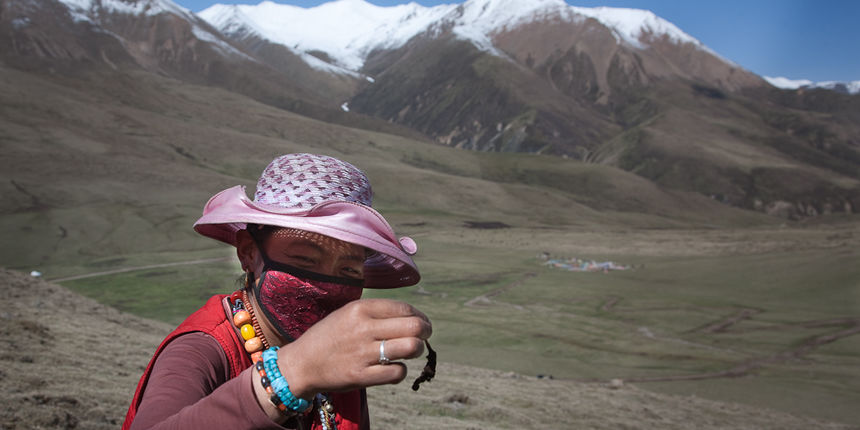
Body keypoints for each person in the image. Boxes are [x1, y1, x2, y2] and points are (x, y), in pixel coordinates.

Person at [123, 153, 432, 429]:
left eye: (348, 270)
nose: (326, 283)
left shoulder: (340, 352)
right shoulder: (202, 350)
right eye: (304, 259)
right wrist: (290, 376)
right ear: (248, 252)